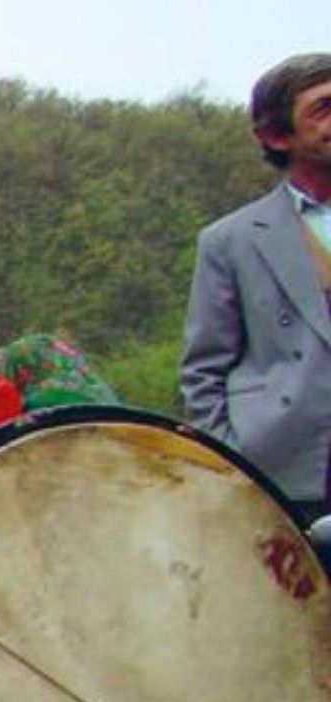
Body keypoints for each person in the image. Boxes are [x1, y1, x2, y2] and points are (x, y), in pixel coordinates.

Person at [182, 53, 331, 522]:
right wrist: (234, 460)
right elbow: (203, 372)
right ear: (275, 135)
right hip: (285, 472)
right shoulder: (231, 240)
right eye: (323, 108)